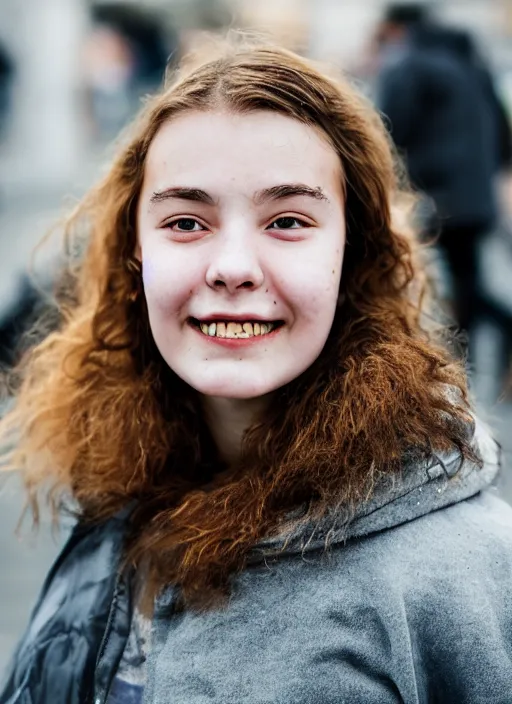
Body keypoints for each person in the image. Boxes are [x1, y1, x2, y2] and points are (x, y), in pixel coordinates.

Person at [1, 37, 511, 704]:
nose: (233, 266)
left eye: (288, 221)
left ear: (352, 258)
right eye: (186, 221)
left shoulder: (468, 570)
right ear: (134, 258)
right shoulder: (120, 495)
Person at [374, 4, 506, 357]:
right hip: (478, 195)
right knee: (467, 278)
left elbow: (386, 130)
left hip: (436, 196)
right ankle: (473, 358)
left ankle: (450, 360)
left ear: (397, 29)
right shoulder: (472, 65)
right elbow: (503, 133)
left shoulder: (411, 65)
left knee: (410, 275)